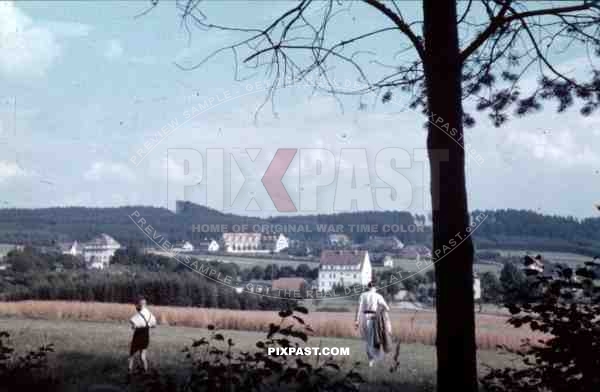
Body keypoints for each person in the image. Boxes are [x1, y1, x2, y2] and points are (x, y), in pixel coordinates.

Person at [354, 281, 390, 367]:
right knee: (373, 340)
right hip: (374, 319)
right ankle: (372, 360)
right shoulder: (378, 296)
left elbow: (358, 309)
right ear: (375, 287)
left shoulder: (363, 295)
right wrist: (381, 311)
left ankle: (372, 359)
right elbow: (387, 308)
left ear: (368, 287)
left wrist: (356, 320)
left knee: (367, 340)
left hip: (364, 318)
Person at [128, 297, 157, 373]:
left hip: (138, 336)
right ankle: (145, 371)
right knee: (142, 357)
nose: (136, 306)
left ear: (140, 305)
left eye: (137, 305)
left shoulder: (138, 315)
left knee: (131, 355)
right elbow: (154, 325)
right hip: (146, 337)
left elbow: (133, 324)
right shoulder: (150, 315)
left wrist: (135, 326)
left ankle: (129, 372)